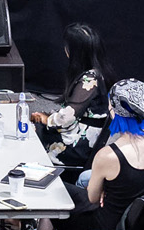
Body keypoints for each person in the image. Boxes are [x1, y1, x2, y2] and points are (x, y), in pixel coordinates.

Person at [54, 78, 144, 230]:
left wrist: (105, 190)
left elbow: (92, 198)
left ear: (115, 111)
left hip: (105, 227)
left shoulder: (108, 155)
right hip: (141, 227)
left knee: (56, 194)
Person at [29, 22, 110, 171]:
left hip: (79, 145)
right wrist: (47, 117)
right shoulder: (95, 73)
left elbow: (67, 116)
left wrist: (47, 119)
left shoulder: (90, 79)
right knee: (37, 126)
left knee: (32, 134)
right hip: (82, 133)